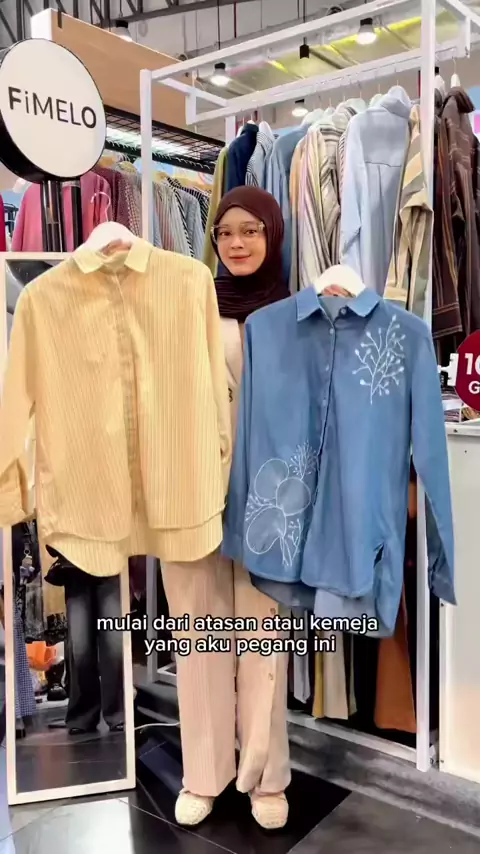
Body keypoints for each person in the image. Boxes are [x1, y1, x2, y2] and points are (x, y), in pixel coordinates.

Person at [161, 187, 292, 831]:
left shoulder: (296, 313)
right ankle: (205, 773)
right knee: (198, 634)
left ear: (273, 234)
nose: (236, 244)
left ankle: (266, 775)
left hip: (270, 498)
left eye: (251, 231)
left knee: (263, 640)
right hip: (195, 492)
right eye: (225, 232)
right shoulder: (190, 305)